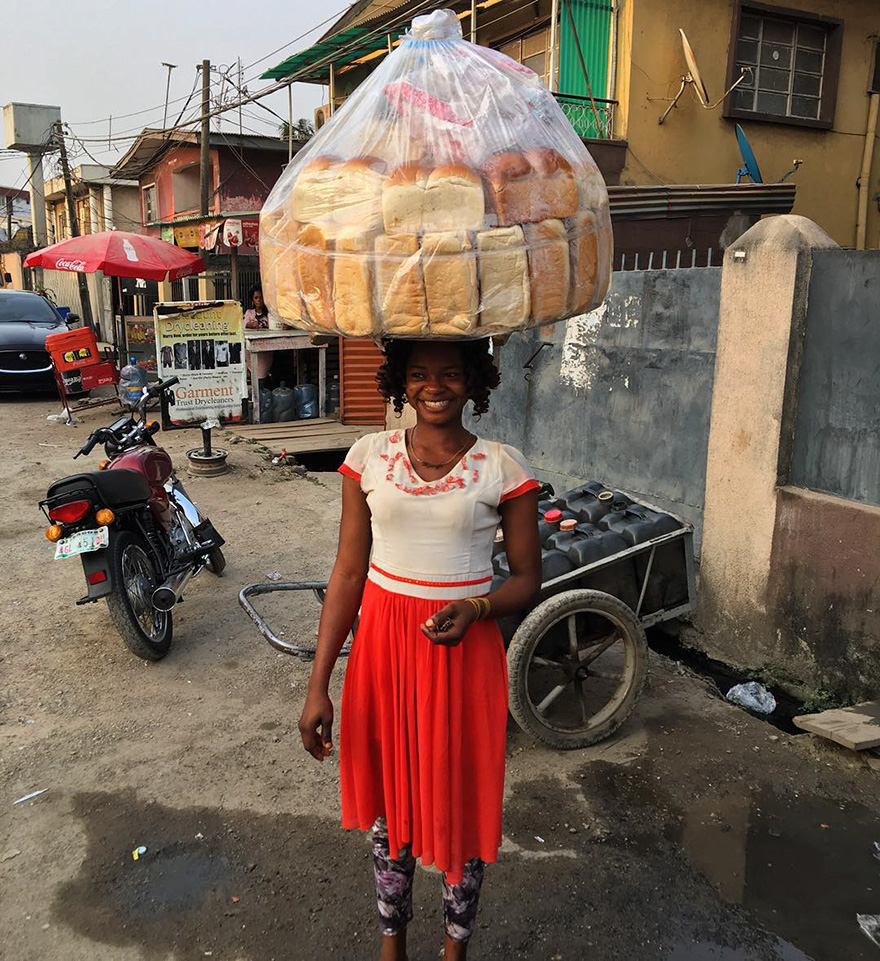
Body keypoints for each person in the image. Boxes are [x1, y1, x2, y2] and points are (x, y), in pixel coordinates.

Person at [299, 339, 542, 961]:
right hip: (382, 650)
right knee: (389, 803)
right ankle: (392, 946)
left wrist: (478, 608)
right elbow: (349, 574)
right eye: (420, 375)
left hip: (462, 654)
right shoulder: (368, 458)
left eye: (452, 374)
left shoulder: (501, 467)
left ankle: (453, 950)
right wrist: (318, 684)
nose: (436, 387)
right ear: (400, 383)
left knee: (459, 796)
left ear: (476, 381)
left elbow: (526, 579)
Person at [244, 285, 272, 383]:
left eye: (261, 297)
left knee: (263, 374)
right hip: (253, 349)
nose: (259, 300)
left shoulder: (270, 314)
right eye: (256, 298)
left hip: (266, 349)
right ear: (252, 300)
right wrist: (250, 324)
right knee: (256, 375)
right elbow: (245, 326)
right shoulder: (249, 313)